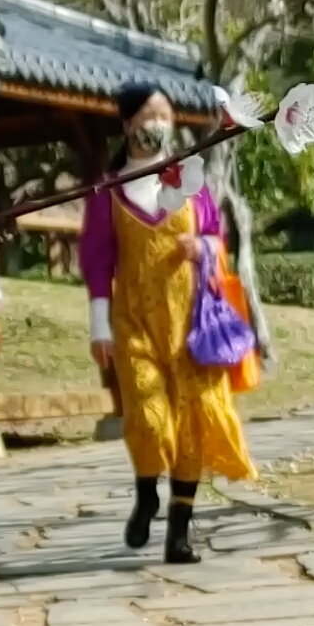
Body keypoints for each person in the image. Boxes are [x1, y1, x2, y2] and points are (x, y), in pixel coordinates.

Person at [78, 83, 260, 563]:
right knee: (150, 417)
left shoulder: (192, 180)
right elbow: (97, 261)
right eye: (146, 115)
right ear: (127, 125)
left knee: (191, 426)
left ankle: (179, 531)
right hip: (135, 323)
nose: (156, 124)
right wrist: (100, 326)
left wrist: (202, 249)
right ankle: (145, 492)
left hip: (192, 325)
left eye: (163, 114)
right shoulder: (108, 190)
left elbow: (216, 238)